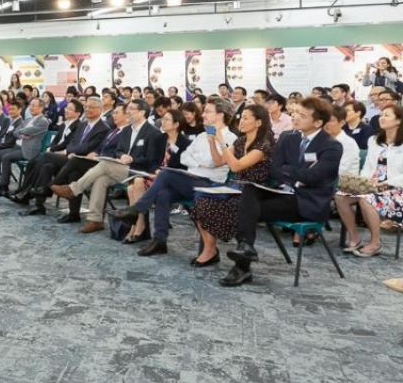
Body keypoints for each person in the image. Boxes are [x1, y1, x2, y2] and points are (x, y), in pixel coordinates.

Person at [219, 97, 342, 287]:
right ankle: (245, 249)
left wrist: (291, 172)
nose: (295, 118)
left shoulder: (331, 146)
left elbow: (314, 177)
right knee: (250, 189)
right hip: (283, 192)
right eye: (295, 113)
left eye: (302, 115)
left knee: (243, 208)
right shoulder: (288, 137)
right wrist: (297, 175)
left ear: (318, 122)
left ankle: (242, 266)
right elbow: (275, 168)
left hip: (307, 201)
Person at [111, 98, 238, 255]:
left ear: (221, 115)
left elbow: (214, 163)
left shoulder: (230, 138)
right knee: (163, 194)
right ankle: (159, 240)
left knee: (165, 173)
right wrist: (200, 162)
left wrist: (199, 160)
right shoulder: (201, 136)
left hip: (210, 184)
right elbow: (185, 156)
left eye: (208, 111)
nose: (203, 114)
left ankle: (137, 209)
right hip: (191, 178)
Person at [56, 100, 166, 235]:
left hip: (140, 170)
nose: (129, 112)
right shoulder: (126, 130)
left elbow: (152, 159)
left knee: (103, 165)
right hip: (122, 167)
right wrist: (122, 156)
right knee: (101, 179)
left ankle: (74, 189)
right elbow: (118, 150)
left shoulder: (153, 133)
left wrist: (132, 159)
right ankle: (95, 220)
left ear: (142, 112)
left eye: (132, 109)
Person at [190, 105, 274, 267]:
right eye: (241, 117)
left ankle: (237, 251)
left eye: (246, 118)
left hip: (253, 192)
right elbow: (219, 161)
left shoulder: (263, 145)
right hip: (235, 187)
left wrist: (221, 141)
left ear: (258, 122)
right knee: (200, 202)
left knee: (221, 205)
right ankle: (210, 249)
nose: (241, 121)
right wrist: (212, 142)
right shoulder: (241, 140)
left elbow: (236, 166)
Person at [20, 98, 110, 216]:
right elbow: (72, 142)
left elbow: (87, 147)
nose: (88, 109)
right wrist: (70, 151)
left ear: (100, 109)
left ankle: (36, 189)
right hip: (71, 159)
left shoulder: (103, 128)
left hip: (85, 162)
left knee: (46, 156)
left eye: (92, 107)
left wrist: (70, 152)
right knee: (47, 166)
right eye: (86, 107)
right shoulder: (83, 125)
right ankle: (38, 205)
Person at [338, 105, 403, 257]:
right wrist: (365, 182)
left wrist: (387, 182)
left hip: (396, 187)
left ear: (399, 120)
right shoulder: (373, 140)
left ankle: (375, 243)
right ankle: (355, 238)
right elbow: (368, 166)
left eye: (387, 115)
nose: (381, 117)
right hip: (373, 185)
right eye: (381, 114)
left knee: (366, 200)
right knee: (340, 197)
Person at [123, 109, 191, 243]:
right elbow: (153, 162)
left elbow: (182, 167)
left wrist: (163, 174)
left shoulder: (185, 143)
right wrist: (156, 172)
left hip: (172, 179)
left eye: (167, 119)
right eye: (163, 118)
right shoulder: (159, 138)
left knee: (135, 185)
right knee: (133, 185)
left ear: (176, 124)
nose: (162, 122)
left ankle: (139, 226)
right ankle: (137, 226)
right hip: (156, 175)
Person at [50, 105, 127, 223]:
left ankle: (52, 187)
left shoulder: (127, 132)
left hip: (109, 164)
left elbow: (119, 152)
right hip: (98, 161)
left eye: (117, 113)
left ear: (126, 116)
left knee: (74, 160)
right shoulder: (113, 131)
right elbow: (100, 147)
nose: (113, 115)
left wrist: (99, 155)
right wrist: (94, 153)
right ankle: (73, 214)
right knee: (74, 173)